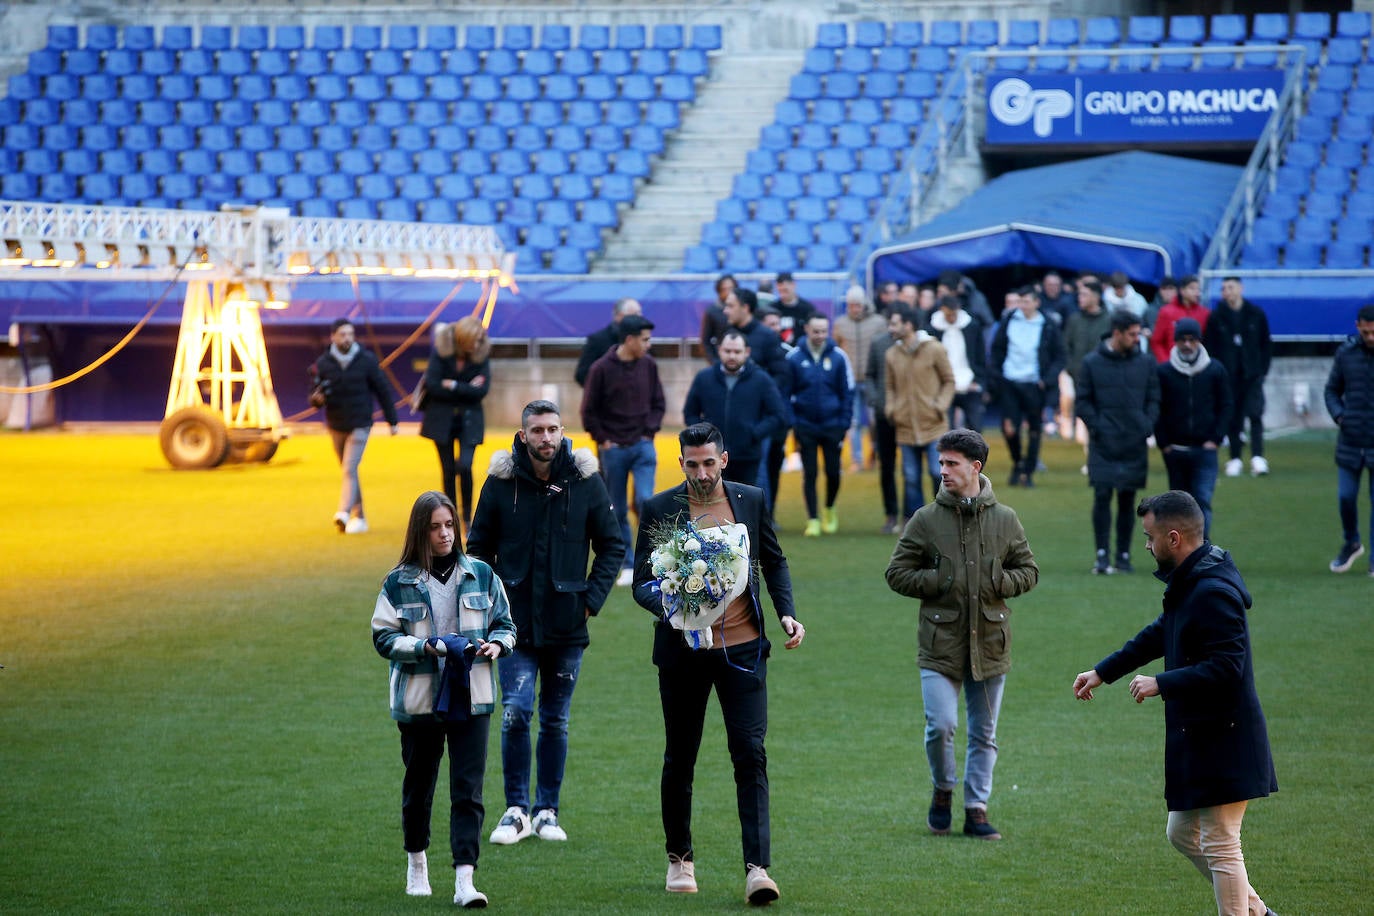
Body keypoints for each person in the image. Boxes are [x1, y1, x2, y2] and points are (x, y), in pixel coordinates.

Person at [1073, 491, 1277, 916]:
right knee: (1182, 832)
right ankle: (1257, 912)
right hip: (1202, 735)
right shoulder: (1192, 580)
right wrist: (1103, 671)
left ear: (1173, 538)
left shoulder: (1213, 592)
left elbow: (1227, 667)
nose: (1146, 546)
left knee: (1221, 843)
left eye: (1149, 538)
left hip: (1227, 738)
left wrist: (1161, 683)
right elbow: (1161, 631)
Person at [631, 423, 806, 905]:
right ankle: (679, 858)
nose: (702, 473)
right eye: (692, 464)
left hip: (744, 649)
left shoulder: (750, 500)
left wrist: (787, 612)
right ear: (681, 463)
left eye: (710, 463)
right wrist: (673, 604)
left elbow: (774, 560)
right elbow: (641, 582)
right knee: (681, 756)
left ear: (724, 460)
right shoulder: (659, 507)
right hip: (683, 654)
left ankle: (758, 868)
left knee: (750, 753)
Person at [466, 400, 624, 847]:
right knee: (515, 714)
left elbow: (613, 545)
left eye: (553, 429)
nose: (546, 438)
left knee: (556, 720)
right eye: (537, 430)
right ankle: (516, 809)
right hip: (511, 627)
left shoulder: (585, 480)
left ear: (562, 431)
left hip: (567, 624)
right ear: (522, 435)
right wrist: (490, 607)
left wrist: (590, 601)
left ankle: (548, 810)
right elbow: (477, 549)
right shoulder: (500, 484)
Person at [886, 429, 1039, 842]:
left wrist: (1000, 582)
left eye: (952, 463)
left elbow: (1029, 570)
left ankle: (976, 809)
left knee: (984, 735)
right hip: (939, 645)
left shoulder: (1006, 519)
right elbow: (895, 573)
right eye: (941, 463)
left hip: (990, 642)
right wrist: (937, 579)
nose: (943, 471)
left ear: (976, 467)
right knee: (941, 726)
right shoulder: (925, 519)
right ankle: (943, 790)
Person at [370, 490, 517, 906]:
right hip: (420, 700)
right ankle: (417, 863)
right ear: (421, 531)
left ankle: (464, 880)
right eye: (435, 527)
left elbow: (506, 625)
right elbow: (382, 637)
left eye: (450, 525)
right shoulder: (398, 582)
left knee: (468, 790)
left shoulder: (483, 575)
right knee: (419, 786)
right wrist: (424, 648)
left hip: (473, 696)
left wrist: (497, 646)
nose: (445, 534)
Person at [581, 313, 665, 586]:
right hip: (613, 449)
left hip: (643, 447)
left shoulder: (649, 365)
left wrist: (648, 433)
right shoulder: (600, 369)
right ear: (629, 340)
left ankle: (651, 559)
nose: (648, 344)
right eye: (645, 339)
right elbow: (589, 411)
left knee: (645, 501)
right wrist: (604, 439)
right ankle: (628, 563)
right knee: (616, 510)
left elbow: (658, 402)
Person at [1078, 309, 1161, 574]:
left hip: (1133, 441)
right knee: (1102, 495)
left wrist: (1146, 424)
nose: (1138, 339)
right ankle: (1102, 556)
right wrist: (1097, 426)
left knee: (1129, 499)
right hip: (1104, 441)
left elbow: (1154, 397)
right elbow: (1083, 400)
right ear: (1117, 333)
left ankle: (1123, 556)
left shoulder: (1146, 363)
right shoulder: (1092, 362)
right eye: (1133, 334)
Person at [313, 317, 398, 534]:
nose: (347, 338)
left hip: (360, 422)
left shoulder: (366, 360)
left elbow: (382, 389)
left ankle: (343, 512)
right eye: (342, 334)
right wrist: (317, 399)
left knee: (349, 467)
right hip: (336, 423)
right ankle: (359, 517)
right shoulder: (323, 363)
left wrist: (392, 420)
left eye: (350, 334)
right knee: (347, 470)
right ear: (333, 336)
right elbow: (313, 395)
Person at [1155, 317, 1232, 540]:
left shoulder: (1215, 370)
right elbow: (1157, 408)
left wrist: (1215, 438)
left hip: (1205, 448)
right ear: (1175, 341)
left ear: (1199, 341)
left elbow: (1226, 405)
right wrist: (1164, 443)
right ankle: (1181, 551)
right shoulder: (1165, 372)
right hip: (1175, 449)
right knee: (1178, 506)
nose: (1187, 344)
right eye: (1182, 340)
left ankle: (1201, 549)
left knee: (1202, 500)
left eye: (1192, 339)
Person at [683, 329, 786, 488]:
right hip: (711, 459)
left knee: (744, 506)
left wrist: (754, 434)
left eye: (737, 351)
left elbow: (777, 414)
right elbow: (690, 412)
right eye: (727, 351)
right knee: (713, 507)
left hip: (748, 457)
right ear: (719, 351)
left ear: (747, 352)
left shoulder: (761, 379)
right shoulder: (704, 378)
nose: (732, 356)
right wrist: (703, 437)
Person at [420, 316, 491, 530]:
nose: (477, 345)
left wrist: (452, 385)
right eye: (474, 340)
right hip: (442, 420)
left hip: (469, 421)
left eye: (480, 340)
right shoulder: (441, 352)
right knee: (448, 470)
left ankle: (468, 518)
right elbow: (432, 385)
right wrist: (465, 387)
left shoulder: (481, 355)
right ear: (462, 338)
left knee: (465, 465)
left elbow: (482, 391)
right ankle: (450, 519)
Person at [990, 286, 1065, 487]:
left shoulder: (1047, 324)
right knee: (1009, 429)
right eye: (1020, 301)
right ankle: (1017, 463)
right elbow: (996, 349)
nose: (1022, 305)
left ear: (1036, 302)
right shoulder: (1009, 321)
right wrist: (997, 374)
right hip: (1010, 382)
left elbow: (1060, 355)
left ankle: (1028, 472)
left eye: (1026, 301)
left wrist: (1047, 380)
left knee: (1034, 429)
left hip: (1034, 384)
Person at [886, 305, 955, 518]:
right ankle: (917, 523)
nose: (891, 328)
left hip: (933, 424)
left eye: (895, 323)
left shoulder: (934, 348)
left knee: (938, 472)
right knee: (911, 477)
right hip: (905, 425)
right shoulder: (892, 354)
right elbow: (890, 386)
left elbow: (949, 381)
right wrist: (891, 409)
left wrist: (940, 405)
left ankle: (945, 517)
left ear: (909, 325)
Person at [787, 313, 853, 536]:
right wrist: (794, 422)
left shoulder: (838, 357)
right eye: (816, 331)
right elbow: (787, 393)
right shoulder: (794, 358)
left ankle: (829, 509)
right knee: (810, 473)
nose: (819, 335)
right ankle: (813, 519)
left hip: (833, 425)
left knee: (833, 472)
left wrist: (844, 422)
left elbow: (847, 392)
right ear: (807, 329)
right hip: (805, 426)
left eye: (824, 331)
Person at [1203, 278, 1273, 478]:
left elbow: (1265, 344)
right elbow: (1211, 347)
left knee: (1256, 414)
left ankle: (1258, 457)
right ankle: (1235, 458)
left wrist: (1262, 369)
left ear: (1241, 288)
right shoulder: (1216, 317)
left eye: (1231, 287)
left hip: (1252, 374)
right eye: (1224, 288)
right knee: (1233, 417)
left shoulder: (1256, 314)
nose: (1227, 292)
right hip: (1228, 376)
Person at [1324, 303, 1374, 574]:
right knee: (1346, 497)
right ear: (1358, 327)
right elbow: (1331, 390)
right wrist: (1339, 415)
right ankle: (1352, 542)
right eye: (1366, 333)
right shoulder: (1345, 354)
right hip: (1351, 440)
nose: (1370, 338)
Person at [832, 285, 888, 472]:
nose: (854, 309)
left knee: (875, 420)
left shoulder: (878, 322)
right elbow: (837, 350)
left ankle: (876, 452)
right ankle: (857, 459)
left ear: (864, 304)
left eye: (857, 305)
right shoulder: (841, 323)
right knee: (853, 422)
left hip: (872, 379)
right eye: (851, 305)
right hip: (850, 380)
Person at [1060, 279, 1112, 444]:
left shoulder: (1109, 320)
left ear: (1096, 297)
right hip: (1076, 374)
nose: (1079, 298)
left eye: (1084, 294)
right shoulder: (1074, 319)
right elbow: (1066, 346)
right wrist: (1070, 367)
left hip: (1102, 377)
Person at [928, 293, 988, 432]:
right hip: (944, 386)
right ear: (942, 310)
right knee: (946, 431)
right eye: (949, 315)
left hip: (970, 384)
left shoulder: (971, 326)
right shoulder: (932, 329)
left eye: (954, 314)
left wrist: (979, 381)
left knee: (975, 429)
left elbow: (980, 357)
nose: (952, 318)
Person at [867, 309, 902, 533]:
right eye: (891, 322)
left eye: (897, 322)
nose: (893, 327)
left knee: (912, 469)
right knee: (886, 466)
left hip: (910, 415)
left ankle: (912, 515)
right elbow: (869, 374)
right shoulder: (879, 344)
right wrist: (876, 399)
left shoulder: (919, 345)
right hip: (884, 414)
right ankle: (891, 515)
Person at [575, 297, 642, 386]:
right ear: (619, 316)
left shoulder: (641, 340)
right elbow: (582, 375)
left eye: (640, 313)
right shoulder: (597, 340)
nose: (640, 317)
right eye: (635, 314)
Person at [1151, 275, 1210, 364]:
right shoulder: (1166, 311)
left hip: (1198, 364)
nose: (1196, 293)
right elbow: (1156, 341)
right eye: (1192, 289)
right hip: (1173, 364)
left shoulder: (1204, 313)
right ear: (1182, 290)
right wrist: (1166, 363)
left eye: (1198, 289)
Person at [771, 271, 815, 347]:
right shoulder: (772, 309)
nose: (783, 294)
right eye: (780, 291)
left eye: (785, 290)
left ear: (793, 285)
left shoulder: (807, 309)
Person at [700, 276, 736, 364]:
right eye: (724, 289)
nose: (728, 292)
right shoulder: (712, 311)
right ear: (718, 291)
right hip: (721, 358)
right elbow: (705, 341)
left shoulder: (743, 309)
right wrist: (713, 361)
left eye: (731, 288)